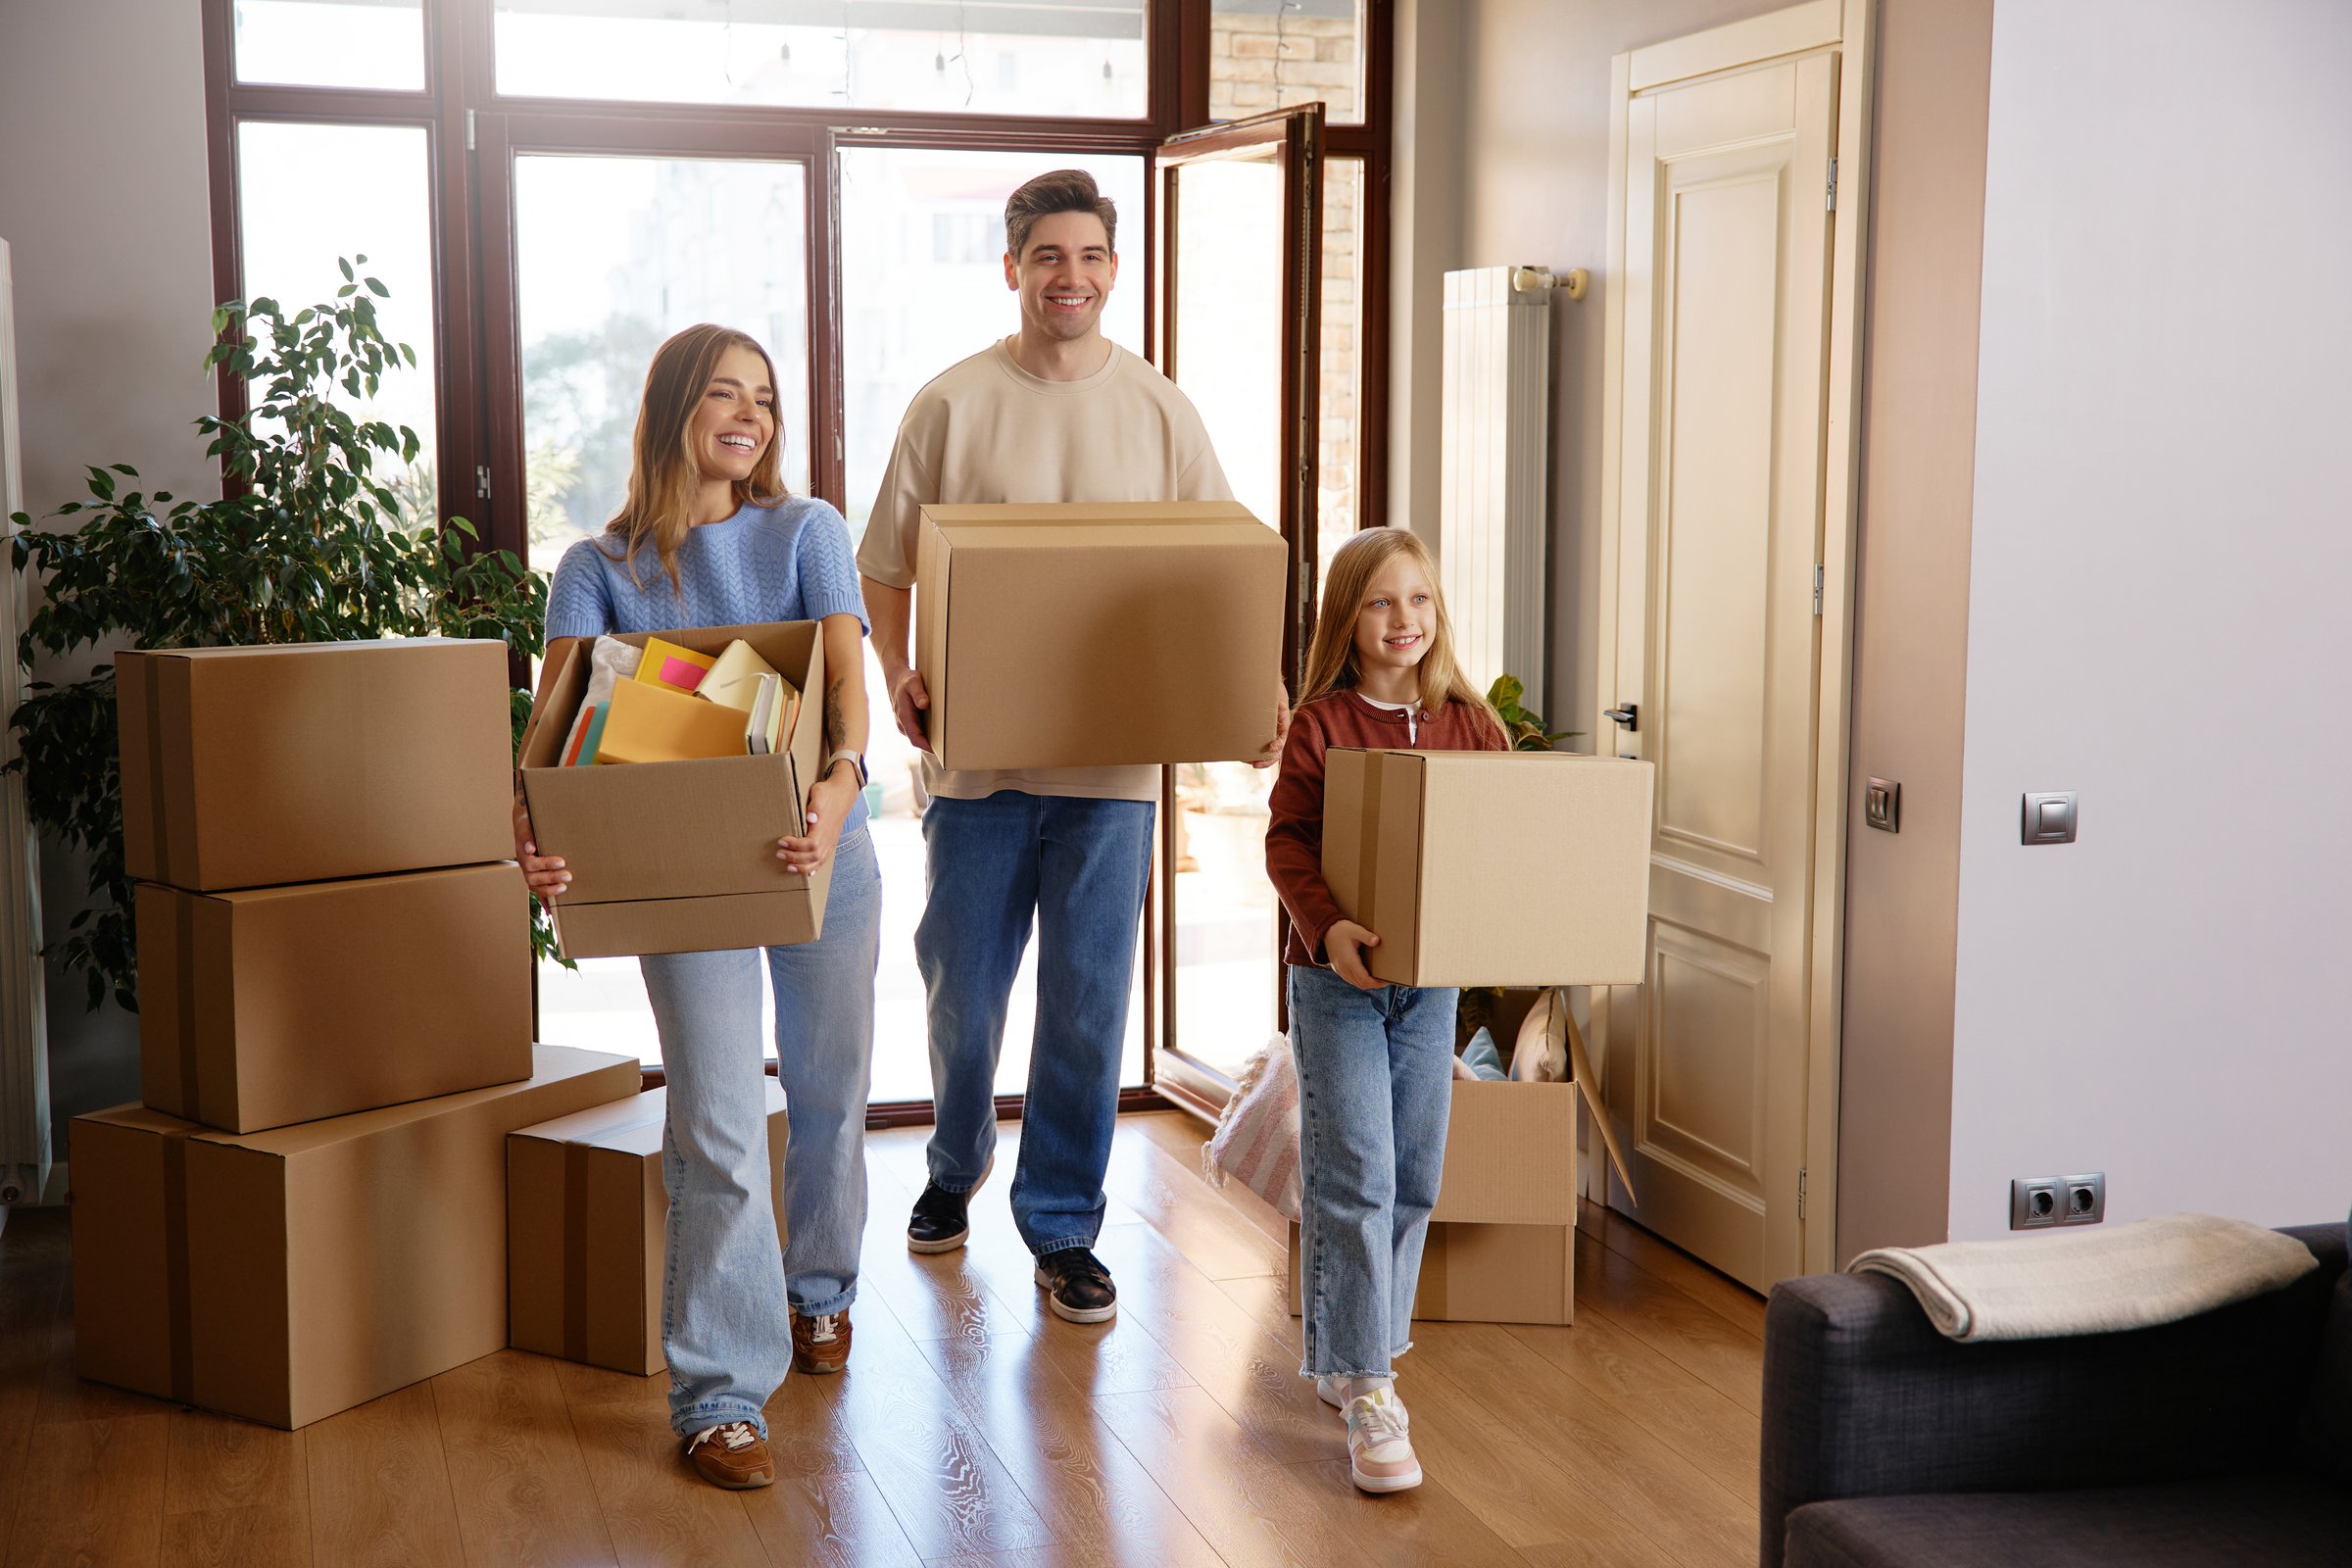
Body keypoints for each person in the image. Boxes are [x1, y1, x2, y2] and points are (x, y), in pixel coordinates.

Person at [857, 169, 1281, 1324]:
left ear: (1112, 270)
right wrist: (900, 673)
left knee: (1090, 1008)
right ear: (1012, 268)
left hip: (1110, 775)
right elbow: (883, 563)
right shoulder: (951, 404)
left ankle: (1061, 1226)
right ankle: (953, 1163)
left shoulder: (1158, 411)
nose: (1071, 278)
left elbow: (1219, 566)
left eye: (1090, 257)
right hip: (978, 770)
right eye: (1049, 257)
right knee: (963, 995)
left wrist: (1258, 693)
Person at [514, 323, 881, 1492]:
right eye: (724, 393)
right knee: (718, 1120)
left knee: (829, 1093)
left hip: (819, 845)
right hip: (687, 872)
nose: (750, 415)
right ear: (673, 406)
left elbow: (847, 698)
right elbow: (553, 731)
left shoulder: (807, 529)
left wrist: (836, 790)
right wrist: (538, 834)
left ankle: (820, 1291)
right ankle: (722, 1396)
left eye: (764, 399)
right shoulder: (598, 564)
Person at [1262, 525, 1509, 1494]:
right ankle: (1369, 1388)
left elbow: (1495, 848)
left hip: (1430, 985)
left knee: (1412, 1175)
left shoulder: (1471, 723)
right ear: (1346, 620)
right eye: (1379, 602)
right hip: (1336, 981)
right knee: (1355, 1171)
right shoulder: (1322, 725)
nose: (1403, 620)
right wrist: (1326, 930)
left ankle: (1357, 1348)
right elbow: (1286, 844)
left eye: (1418, 599)